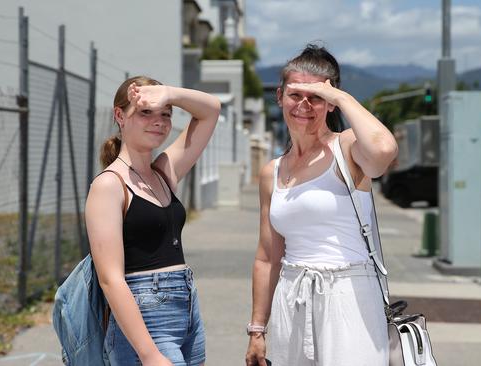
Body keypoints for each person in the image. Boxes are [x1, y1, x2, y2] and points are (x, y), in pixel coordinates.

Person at [245, 44, 398, 366]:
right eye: (295, 94)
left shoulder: (347, 148)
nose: (304, 104)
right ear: (279, 96)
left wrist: (341, 97)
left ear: (329, 103)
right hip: (292, 296)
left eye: (315, 97)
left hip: (348, 294)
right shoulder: (271, 172)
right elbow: (267, 256)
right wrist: (257, 330)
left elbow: (384, 150)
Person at [85, 76, 220, 366]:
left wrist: (168, 93)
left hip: (186, 312)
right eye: (145, 112)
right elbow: (110, 278)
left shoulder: (162, 172)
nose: (158, 121)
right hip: (145, 320)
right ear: (120, 116)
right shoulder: (109, 185)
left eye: (165, 114)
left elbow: (210, 110)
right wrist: (148, 354)